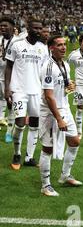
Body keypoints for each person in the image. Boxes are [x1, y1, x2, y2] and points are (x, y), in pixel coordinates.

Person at [39, 35, 82, 197]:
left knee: (74, 141)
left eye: (64, 44)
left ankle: (65, 175)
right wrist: (58, 118)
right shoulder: (48, 67)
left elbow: (62, 87)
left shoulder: (64, 64)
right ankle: (45, 185)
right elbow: (49, 96)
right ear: (51, 48)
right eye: (59, 45)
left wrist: (69, 86)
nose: (63, 47)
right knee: (48, 148)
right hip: (51, 112)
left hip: (64, 108)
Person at [5, 18, 48, 170]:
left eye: (40, 28)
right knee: (20, 123)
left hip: (36, 91)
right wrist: (7, 89)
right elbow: (8, 67)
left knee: (35, 125)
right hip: (19, 90)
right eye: (35, 28)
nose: (38, 31)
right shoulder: (17, 45)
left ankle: (29, 157)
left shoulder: (43, 48)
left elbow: (44, 72)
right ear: (28, 28)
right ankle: (17, 154)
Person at [0, 17, 21, 142]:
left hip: (11, 78)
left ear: (13, 27)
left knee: (11, 104)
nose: (2, 28)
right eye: (1, 26)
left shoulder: (19, 41)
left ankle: (9, 131)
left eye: (5, 26)